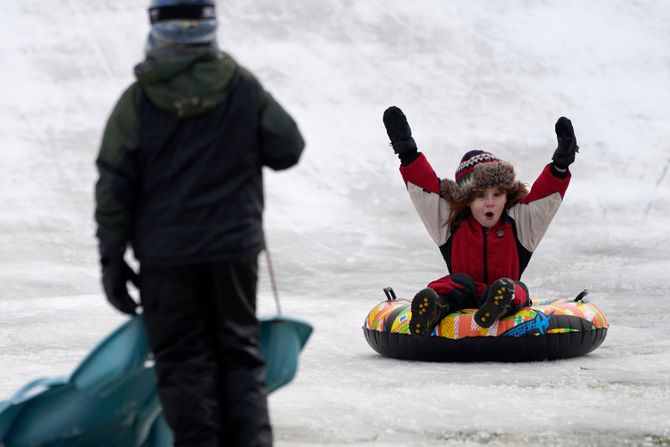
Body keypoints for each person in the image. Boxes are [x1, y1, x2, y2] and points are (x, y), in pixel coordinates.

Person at [94, 1, 304, 445]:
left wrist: (112, 258)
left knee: (183, 362)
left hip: (166, 258)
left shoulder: (137, 101)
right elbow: (287, 146)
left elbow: (114, 183)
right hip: (232, 251)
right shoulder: (241, 87)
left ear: (156, 26)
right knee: (239, 357)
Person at [382, 106, 578, 336]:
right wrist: (406, 151)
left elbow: (546, 197)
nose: (490, 203)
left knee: (515, 288)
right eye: (481, 196)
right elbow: (425, 190)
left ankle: (498, 304)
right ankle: (432, 308)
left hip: (503, 293)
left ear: (507, 196)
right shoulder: (450, 222)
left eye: (497, 195)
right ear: (467, 199)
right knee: (455, 282)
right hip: (462, 295)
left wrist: (561, 165)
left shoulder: (521, 222)